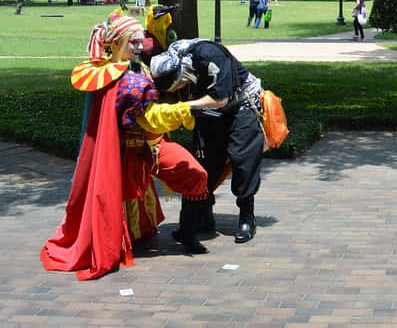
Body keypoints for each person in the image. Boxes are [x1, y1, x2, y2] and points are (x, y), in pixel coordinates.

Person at [41, 14, 222, 280]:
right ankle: (122, 240)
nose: (139, 47)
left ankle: (186, 231)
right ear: (115, 44)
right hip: (125, 152)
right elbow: (150, 117)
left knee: (195, 174)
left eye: (140, 42)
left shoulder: (136, 70)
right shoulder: (123, 79)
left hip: (152, 145)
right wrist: (193, 107)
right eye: (133, 42)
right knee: (123, 198)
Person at [150, 39, 269, 244]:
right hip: (206, 106)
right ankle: (202, 217)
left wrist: (184, 106)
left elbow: (220, 99)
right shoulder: (171, 59)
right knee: (205, 158)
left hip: (241, 103)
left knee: (243, 159)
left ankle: (247, 217)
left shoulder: (210, 55)